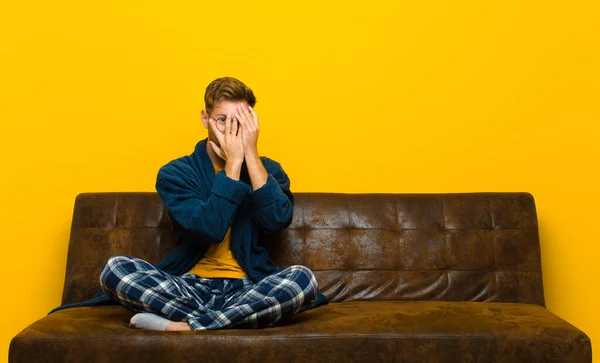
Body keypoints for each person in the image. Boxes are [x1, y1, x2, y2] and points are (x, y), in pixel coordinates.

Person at [47, 77, 328, 330]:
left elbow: (277, 219)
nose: (231, 131)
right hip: (187, 286)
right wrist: (233, 166)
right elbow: (210, 228)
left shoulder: (268, 171)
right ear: (205, 118)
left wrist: (250, 156)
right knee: (115, 269)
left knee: (302, 281)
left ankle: (184, 326)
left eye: (240, 122)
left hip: (249, 287)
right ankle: (229, 320)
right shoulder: (176, 173)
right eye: (222, 121)